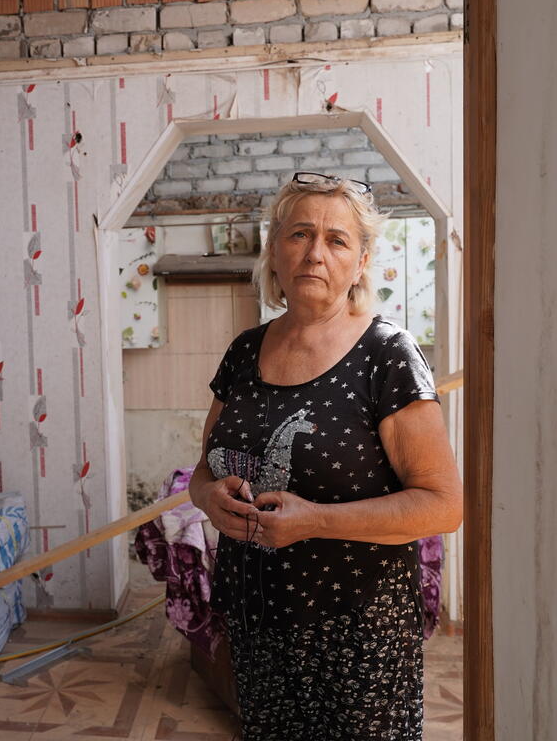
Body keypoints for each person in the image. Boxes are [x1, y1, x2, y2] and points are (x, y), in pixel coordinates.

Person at [187, 172, 463, 740]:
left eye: (337, 240)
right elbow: (204, 469)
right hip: (258, 619)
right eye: (299, 234)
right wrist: (208, 499)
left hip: (357, 631)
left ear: (361, 261)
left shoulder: (387, 356)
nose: (315, 252)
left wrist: (314, 521)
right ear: (275, 252)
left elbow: (442, 507)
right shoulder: (244, 351)